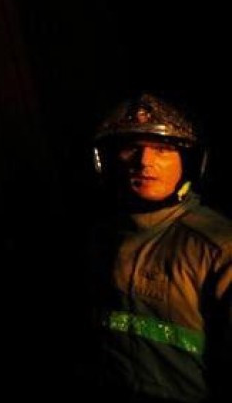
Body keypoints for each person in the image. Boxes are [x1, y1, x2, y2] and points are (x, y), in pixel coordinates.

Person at [89, 93, 232, 402]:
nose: (144, 162)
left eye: (163, 149)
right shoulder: (101, 237)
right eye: (131, 148)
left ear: (190, 163)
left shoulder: (216, 246)